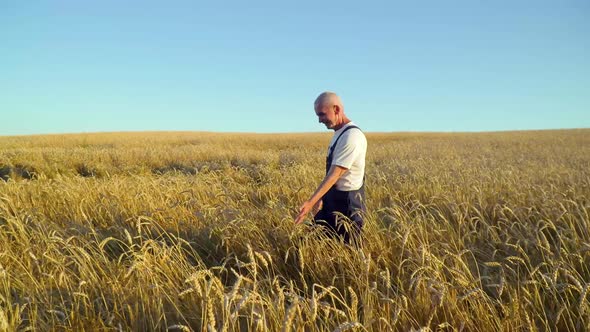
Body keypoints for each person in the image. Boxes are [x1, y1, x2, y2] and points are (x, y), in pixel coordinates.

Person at [294, 92, 367, 245]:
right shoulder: (339, 134)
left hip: (348, 206)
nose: (319, 120)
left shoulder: (352, 136)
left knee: (349, 254)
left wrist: (310, 202)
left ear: (336, 109)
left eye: (322, 114)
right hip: (333, 200)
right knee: (307, 245)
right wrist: (323, 198)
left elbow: (335, 174)